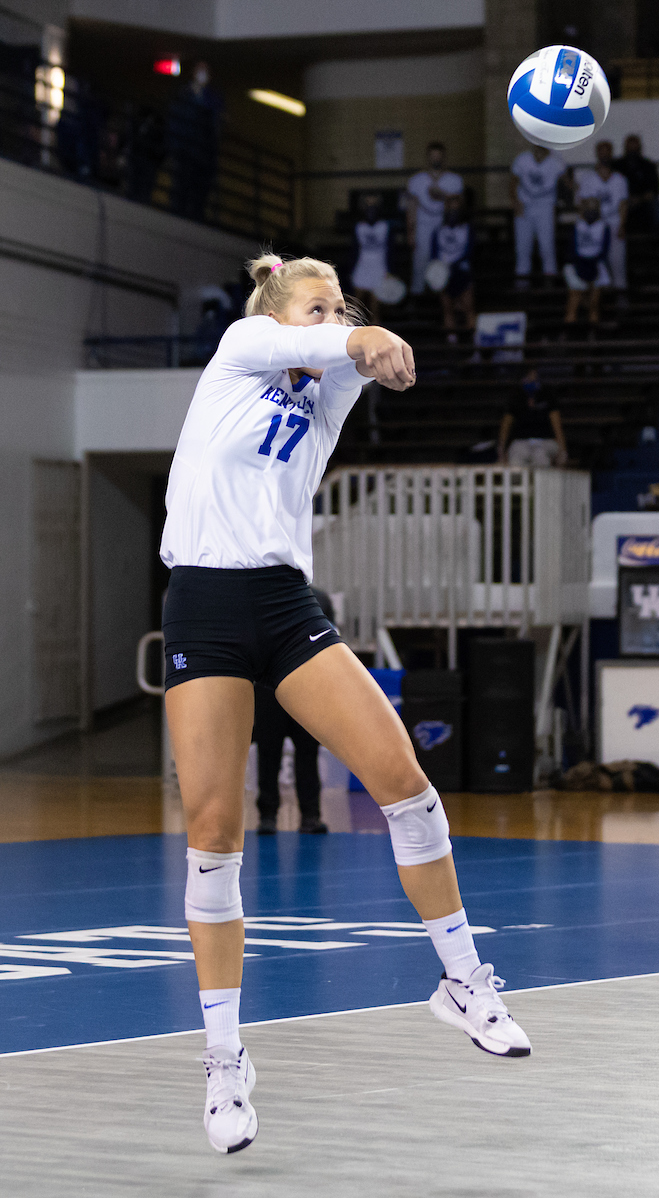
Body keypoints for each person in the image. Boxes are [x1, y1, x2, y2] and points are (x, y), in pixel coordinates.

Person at [159, 251, 531, 1154]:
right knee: (214, 833)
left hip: (285, 605)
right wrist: (364, 335)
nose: (333, 319)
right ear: (277, 314)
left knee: (407, 786)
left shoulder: (324, 393)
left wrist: (372, 347)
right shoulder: (241, 347)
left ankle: (463, 983)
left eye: (340, 307)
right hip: (204, 602)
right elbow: (347, 344)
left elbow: (353, 359)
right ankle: (224, 1061)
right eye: (316, 307)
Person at [254, 585, 335, 835]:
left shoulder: (319, 598)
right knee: (269, 752)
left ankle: (308, 815)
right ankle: (270, 815)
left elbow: (328, 644)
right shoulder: (264, 596)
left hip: (305, 687)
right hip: (270, 687)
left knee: (306, 753)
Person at [167, 61, 223, 221]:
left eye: (205, 71)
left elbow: (216, 122)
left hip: (202, 154)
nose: (202, 75)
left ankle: (195, 216)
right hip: (184, 150)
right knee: (181, 186)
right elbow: (175, 121)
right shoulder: (184, 93)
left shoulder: (213, 97)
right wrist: (174, 147)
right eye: (200, 70)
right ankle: (177, 212)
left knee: (199, 191)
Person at [406, 142, 463, 295]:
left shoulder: (454, 180)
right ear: (427, 157)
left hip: (445, 225)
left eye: (439, 156)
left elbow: (459, 205)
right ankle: (417, 295)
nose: (436, 159)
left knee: (444, 262)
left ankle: (445, 297)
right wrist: (410, 232)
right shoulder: (416, 180)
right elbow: (411, 208)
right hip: (423, 225)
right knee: (420, 260)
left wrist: (443, 196)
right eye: (433, 156)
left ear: (444, 157)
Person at [574, 140, 628, 295]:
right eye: (601, 151)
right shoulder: (588, 178)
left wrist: (622, 225)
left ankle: (620, 297)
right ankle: (596, 299)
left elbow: (623, 204)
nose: (604, 155)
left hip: (614, 221)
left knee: (617, 263)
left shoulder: (619, 179)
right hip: (595, 225)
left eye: (607, 151)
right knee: (595, 264)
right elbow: (582, 205)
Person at [509, 143, 565, 286]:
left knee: (547, 247)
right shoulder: (522, 159)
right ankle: (521, 287)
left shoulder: (555, 161)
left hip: (545, 208)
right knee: (522, 248)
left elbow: (567, 183)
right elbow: (513, 182)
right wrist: (515, 202)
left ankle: (550, 285)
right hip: (524, 206)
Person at [498, 369, 566, 467]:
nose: (531, 380)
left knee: (540, 457)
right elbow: (506, 424)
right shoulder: (516, 397)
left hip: (545, 441)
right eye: (528, 378)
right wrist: (501, 449)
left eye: (534, 378)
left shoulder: (547, 395)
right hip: (521, 441)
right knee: (516, 459)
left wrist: (563, 450)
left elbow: (557, 425)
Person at [431, 195, 475, 343]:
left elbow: (470, 252)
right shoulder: (438, 231)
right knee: (447, 309)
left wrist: (454, 265)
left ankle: (473, 342)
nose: (452, 212)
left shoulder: (467, 229)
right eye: (450, 209)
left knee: (468, 308)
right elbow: (434, 254)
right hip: (444, 275)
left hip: (461, 273)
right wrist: (437, 271)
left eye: (456, 209)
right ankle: (452, 341)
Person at [563, 197, 611, 327]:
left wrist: (592, 267)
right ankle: (568, 333)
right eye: (588, 209)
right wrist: (582, 268)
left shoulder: (603, 227)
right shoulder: (577, 226)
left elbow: (604, 251)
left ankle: (593, 334)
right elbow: (572, 250)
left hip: (595, 265)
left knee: (594, 305)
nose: (591, 212)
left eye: (593, 209)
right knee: (574, 301)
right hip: (577, 265)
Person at [351, 193, 390, 323]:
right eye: (368, 205)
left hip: (379, 267)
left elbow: (391, 250)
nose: (371, 209)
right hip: (362, 265)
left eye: (374, 205)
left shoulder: (385, 226)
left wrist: (390, 270)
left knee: (375, 307)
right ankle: (353, 329)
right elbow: (354, 250)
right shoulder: (359, 227)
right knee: (356, 304)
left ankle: (376, 330)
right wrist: (351, 269)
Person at [613, 134, 659, 233]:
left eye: (634, 148)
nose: (632, 151)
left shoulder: (648, 166)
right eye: (630, 148)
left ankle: (657, 236)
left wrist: (639, 199)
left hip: (643, 202)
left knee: (656, 207)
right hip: (622, 203)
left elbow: (654, 191)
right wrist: (626, 200)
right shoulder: (616, 166)